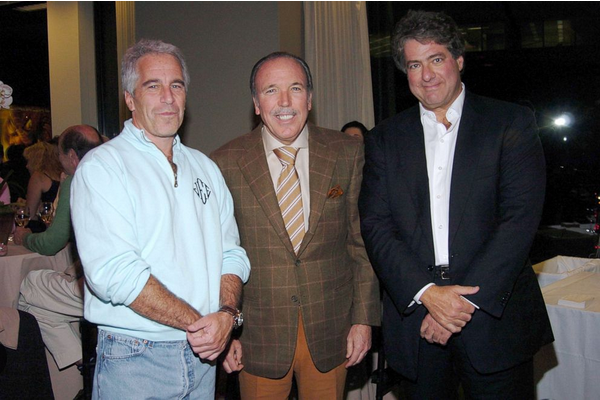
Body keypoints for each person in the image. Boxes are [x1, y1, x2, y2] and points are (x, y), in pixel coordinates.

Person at [359, 10, 553, 399]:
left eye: (436, 59)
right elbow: (376, 225)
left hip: (495, 321)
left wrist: (457, 307)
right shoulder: (384, 139)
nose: (427, 74)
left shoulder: (509, 123)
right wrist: (428, 293)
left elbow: (518, 220)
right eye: (415, 64)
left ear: (459, 60)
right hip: (417, 321)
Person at [70, 39, 250, 399]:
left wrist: (227, 315)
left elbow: (231, 254)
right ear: (130, 98)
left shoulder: (205, 168)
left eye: (176, 86)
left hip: (202, 360)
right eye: (153, 86)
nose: (168, 97)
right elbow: (116, 273)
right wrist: (206, 327)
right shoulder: (103, 167)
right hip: (135, 360)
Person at [211, 52, 379, 400]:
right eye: (271, 90)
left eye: (296, 88)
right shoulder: (224, 162)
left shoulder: (347, 153)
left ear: (310, 99)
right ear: (256, 104)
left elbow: (360, 243)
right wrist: (225, 331)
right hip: (258, 338)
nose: (285, 102)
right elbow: (216, 254)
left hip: (332, 331)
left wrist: (363, 319)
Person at [23, 141, 63, 221]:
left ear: (35, 161)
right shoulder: (61, 174)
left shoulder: (38, 177)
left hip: (45, 224)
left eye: (29, 161)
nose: (27, 166)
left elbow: (30, 214)